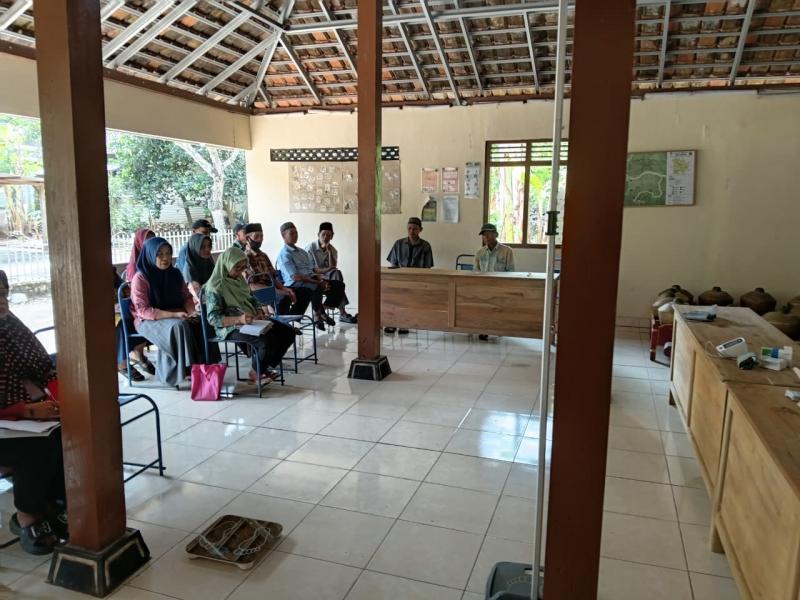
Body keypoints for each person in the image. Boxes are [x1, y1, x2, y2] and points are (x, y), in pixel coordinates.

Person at [0, 270, 67, 555]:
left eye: (3, 293)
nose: (2, 301)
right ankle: (28, 517)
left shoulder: (9, 325)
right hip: (14, 422)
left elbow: (41, 367)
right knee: (34, 447)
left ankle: (57, 506)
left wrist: (50, 403)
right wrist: (26, 410)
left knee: (66, 433)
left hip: (20, 417)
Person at [205, 248, 297, 384]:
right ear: (226, 264)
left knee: (287, 332)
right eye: (236, 267)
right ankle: (255, 373)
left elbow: (252, 299)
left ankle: (263, 367)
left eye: (242, 267)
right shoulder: (215, 287)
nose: (239, 271)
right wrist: (239, 319)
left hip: (251, 321)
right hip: (230, 327)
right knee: (266, 341)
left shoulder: (239, 280)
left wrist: (259, 311)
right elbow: (213, 318)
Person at [129, 237, 205, 386]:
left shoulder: (175, 273)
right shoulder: (141, 277)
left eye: (168, 253)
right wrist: (174, 315)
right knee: (178, 326)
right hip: (148, 320)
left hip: (176, 314)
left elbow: (186, 297)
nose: (165, 258)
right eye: (160, 254)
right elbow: (143, 310)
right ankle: (183, 370)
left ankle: (204, 366)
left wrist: (191, 312)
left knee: (201, 321)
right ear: (150, 255)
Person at [277, 222, 345, 331]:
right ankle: (319, 314)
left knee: (339, 285)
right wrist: (318, 282)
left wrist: (319, 278)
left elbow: (312, 270)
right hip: (296, 283)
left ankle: (323, 309)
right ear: (283, 236)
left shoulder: (302, 252)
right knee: (316, 287)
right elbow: (295, 277)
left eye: (296, 233)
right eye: (291, 234)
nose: (295, 235)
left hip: (310, 279)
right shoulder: (284, 254)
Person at [385, 217, 434, 334]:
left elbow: (427, 268)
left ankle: (404, 324)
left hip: (417, 280)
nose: (412, 231)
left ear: (420, 230)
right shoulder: (398, 243)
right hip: (399, 279)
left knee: (408, 301)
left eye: (415, 229)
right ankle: (392, 323)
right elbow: (393, 264)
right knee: (392, 299)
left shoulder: (426, 246)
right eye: (409, 228)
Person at [120, 228, 157, 380]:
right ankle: (127, 360)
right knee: (124, 326)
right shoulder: (135, 267)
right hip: (137, 308)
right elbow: (136, 297)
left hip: (151, 304)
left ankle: (138, 355)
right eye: (147, 240)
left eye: (153, 239)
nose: (150, 244)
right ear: (139, 243)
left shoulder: (154, 261)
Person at [241, 223, 300, 315]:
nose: (260, 239)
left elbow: (273, 278)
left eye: (262, 236)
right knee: (282, 298)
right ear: (248, 238)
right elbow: (250, 285)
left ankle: (281, 321)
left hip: (270, 289)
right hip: (257, 292)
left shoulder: (263, 255)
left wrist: (285, 289)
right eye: (256, 236)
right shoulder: (244, 258)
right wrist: (274, 291)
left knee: (289, 294)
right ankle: (278, 321)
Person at [305, 222, 357, 324]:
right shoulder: (310, 248)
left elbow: (333, 267)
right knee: (339, 285)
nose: (325, 237)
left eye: (328, 235)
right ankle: (341, 313)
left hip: (329, 278)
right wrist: (325, 270)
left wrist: (329, 252)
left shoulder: (333, 250)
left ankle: (325, 307)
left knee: (337, 274)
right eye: (323, 234)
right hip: (314, 277)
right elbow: (311, 269)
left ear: (332, 236)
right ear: (318, 235)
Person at [474, 222, 516, 340]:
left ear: (496, 234)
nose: (486, 237)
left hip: (500, 287)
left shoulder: (507, 251)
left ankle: (497, 329)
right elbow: (476, 272)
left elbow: (511, 271)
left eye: (488, 234)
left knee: (498, 309)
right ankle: (484, 330)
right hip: (484, 287)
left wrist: (505, 288)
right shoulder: (480, 253)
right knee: (483, 308)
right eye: (484, 235)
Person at [180, 233, 215, 305]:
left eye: (209, 246)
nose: (207, 249)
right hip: (198, 304)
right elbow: (200, 296)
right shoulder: (189, 270)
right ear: (194, 248)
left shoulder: (209, 262)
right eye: (202, 247)